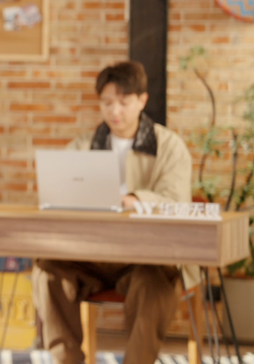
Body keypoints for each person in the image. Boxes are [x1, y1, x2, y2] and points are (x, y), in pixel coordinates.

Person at [31, 61, 194, 364]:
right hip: (89, 255)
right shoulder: (82, 146)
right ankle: (67, 361)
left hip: (145, 258)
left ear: (142, 100)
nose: (114, 110)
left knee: (154, 284)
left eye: (123, 101)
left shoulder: (170, 147)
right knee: (47, 272)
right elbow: (58, 194)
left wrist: (134, 199)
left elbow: (176, 200)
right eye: (106, 102)